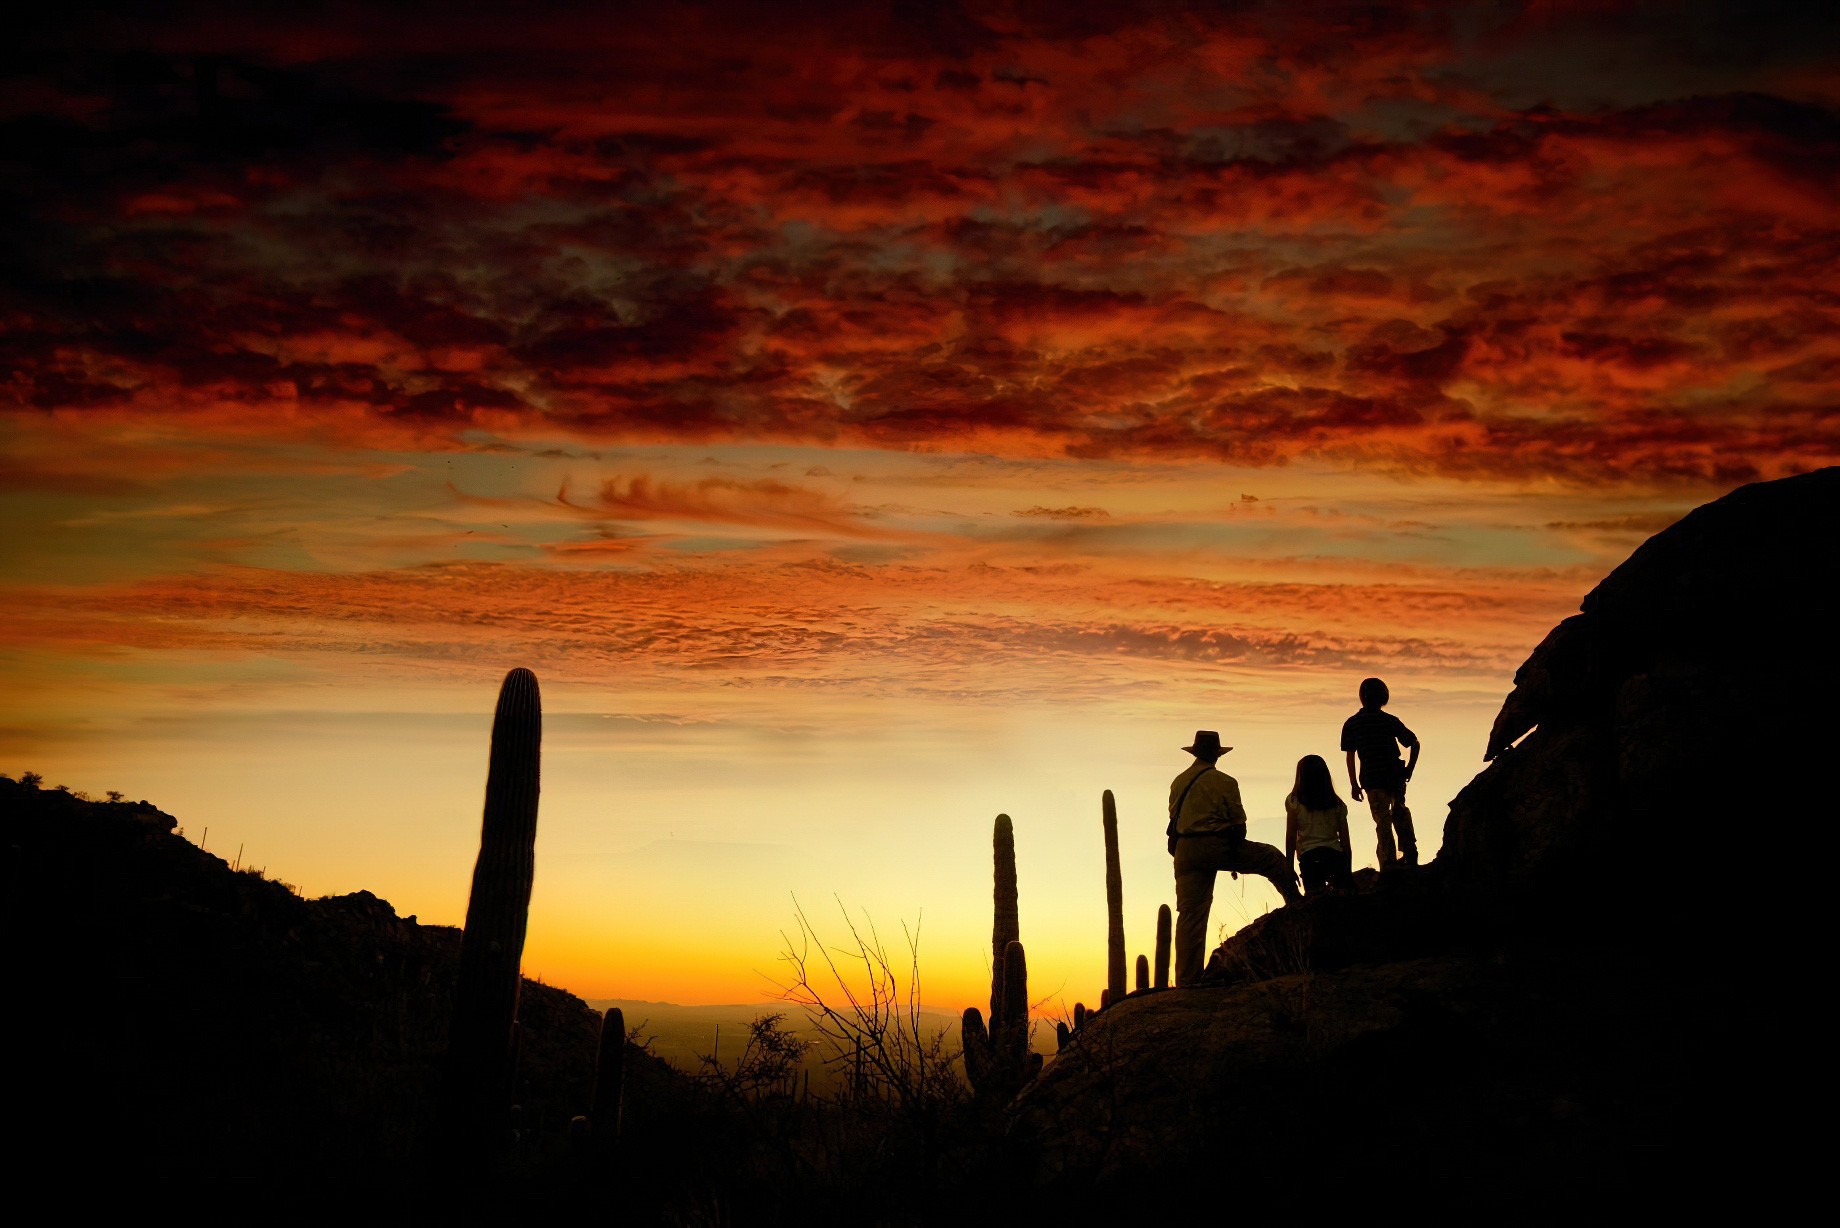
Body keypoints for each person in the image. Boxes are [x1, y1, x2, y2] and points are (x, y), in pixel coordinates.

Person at [1167, 730, 1301, 986]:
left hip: (1185, 850)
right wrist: (1233, 855)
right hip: (1215, 845)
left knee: (1190, 915)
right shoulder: (1226, 782)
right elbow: (1239, 827)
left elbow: (1174, 818)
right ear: (1217, 754)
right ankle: (1297, 909)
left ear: (1195, 753)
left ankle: (1187, 981)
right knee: (1271, 857)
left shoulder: (1178, 781)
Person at [1340, 677, 1420, 871]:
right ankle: (1409, 854)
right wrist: (1409, 768)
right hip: (1395, 776)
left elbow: (1350, 757)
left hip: (1373, 780)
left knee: (1383, 821)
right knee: (1399, 813)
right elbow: (1414, 742)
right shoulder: (1389, 721)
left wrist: (1353, 784)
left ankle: (1389, 863)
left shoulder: (1352, 724)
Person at [1284, 755, 1353, 894]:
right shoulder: (1337, 804)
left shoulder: (1294, 802)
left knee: (1316, 899)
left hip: (1309, 858)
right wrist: (1347, 871)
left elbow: (1291, 838)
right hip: (1335, 855)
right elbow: (1345, 842)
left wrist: (1289, 869)